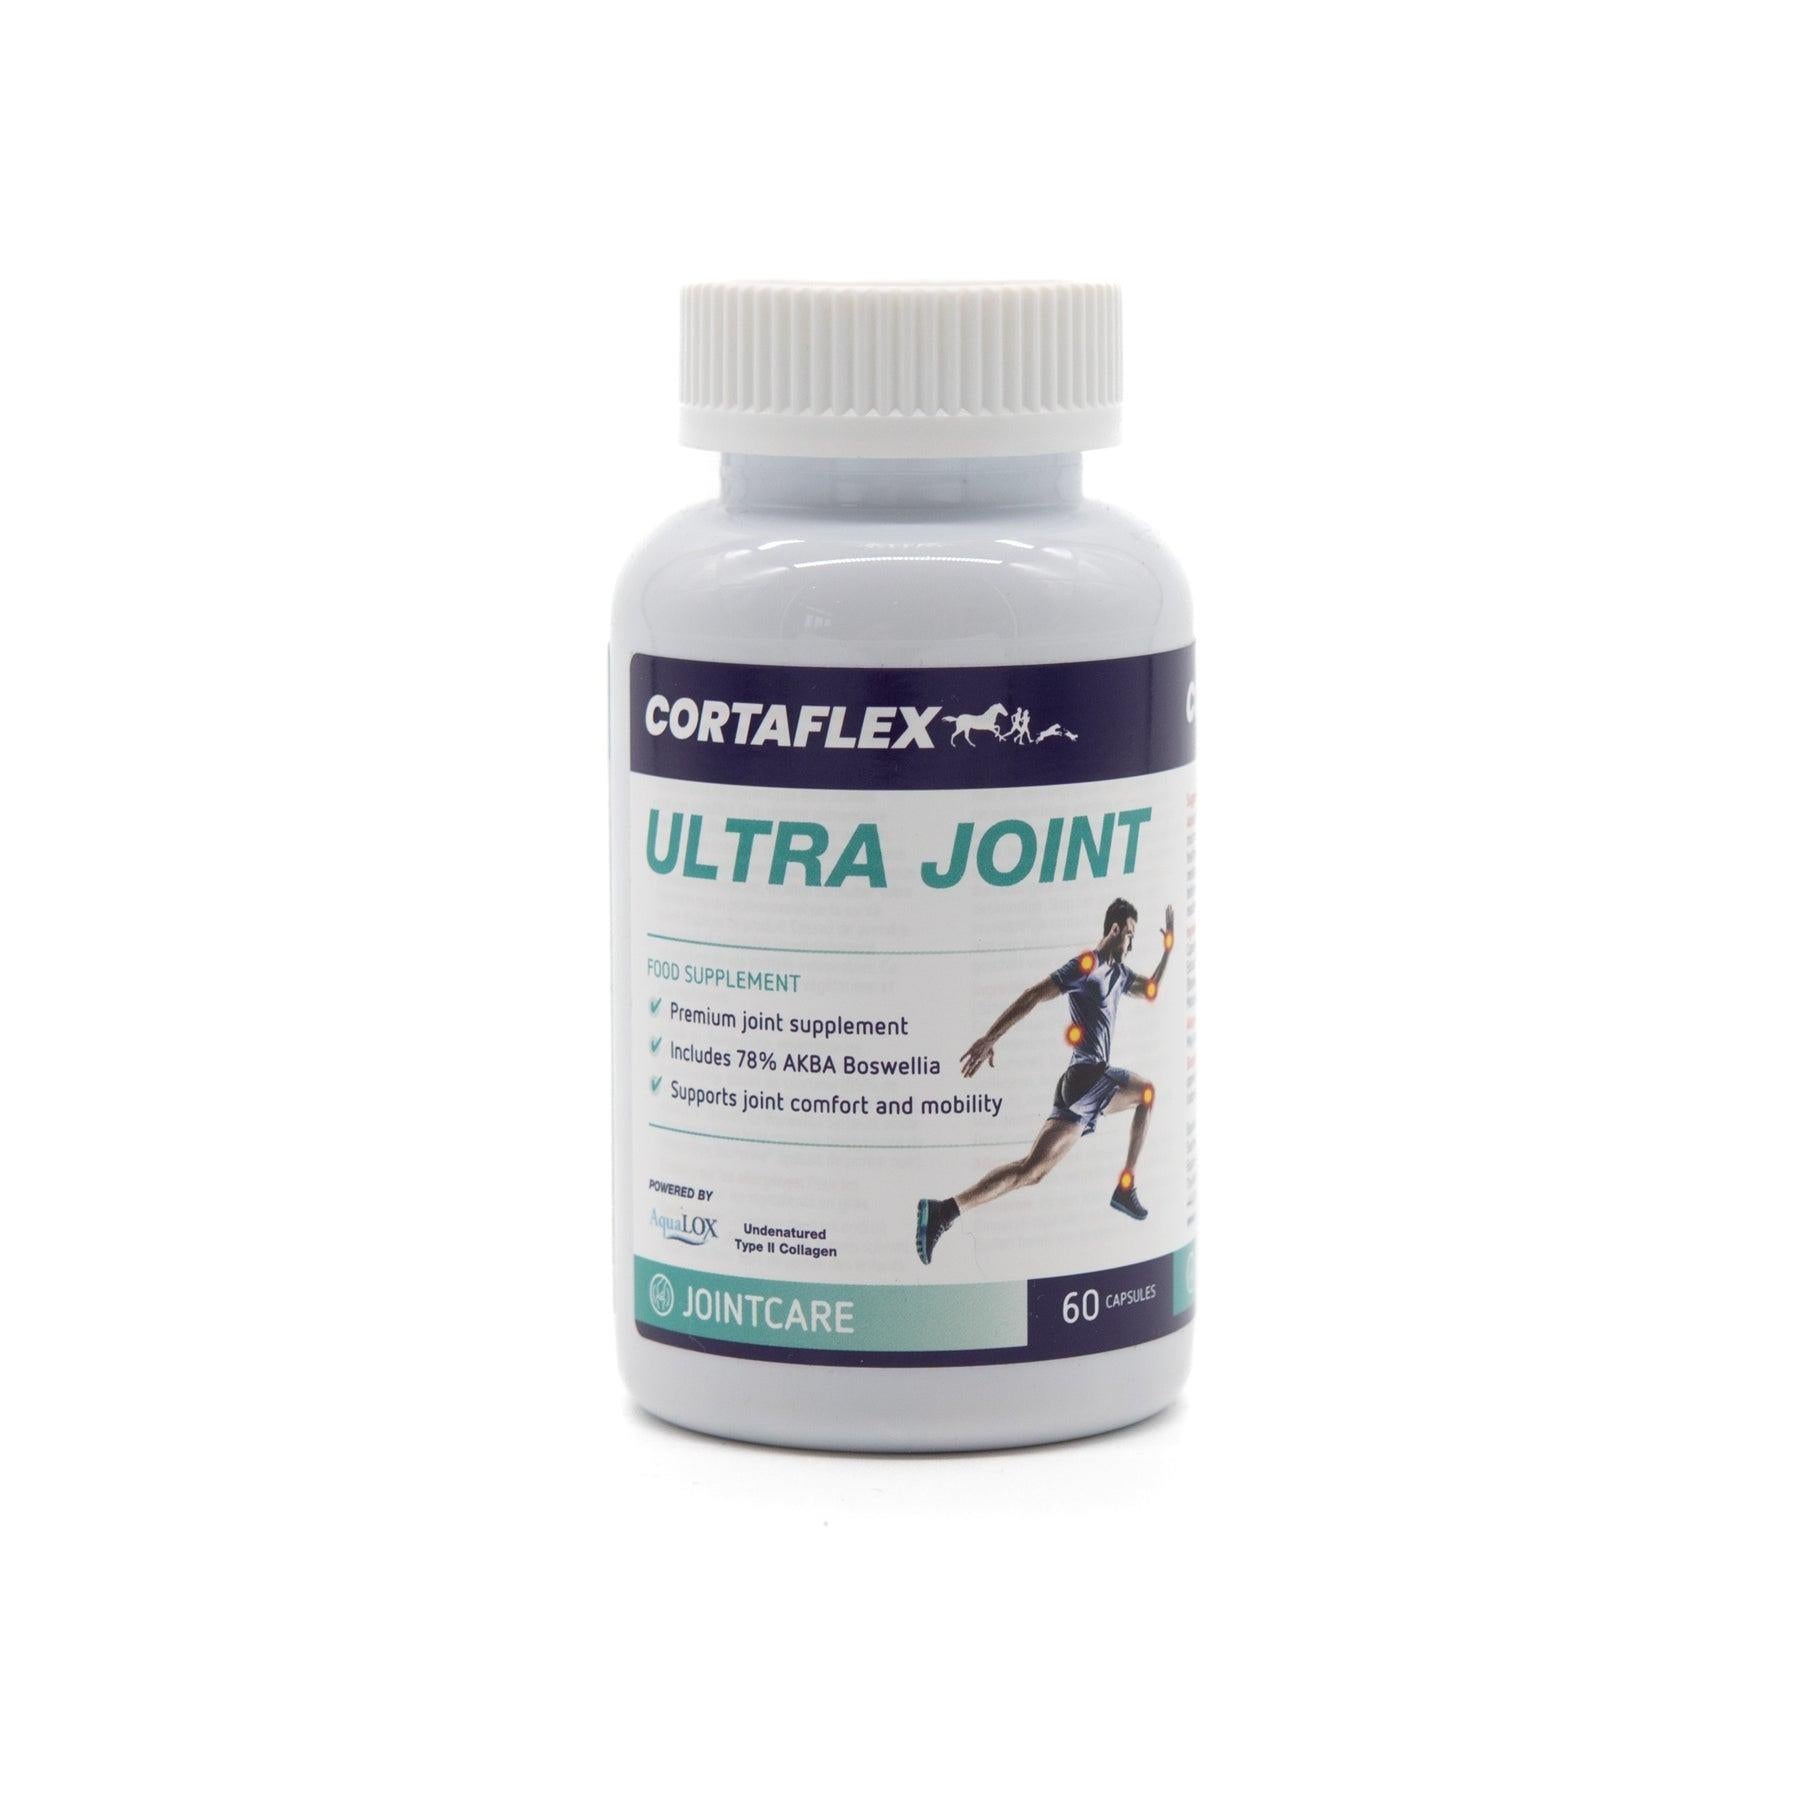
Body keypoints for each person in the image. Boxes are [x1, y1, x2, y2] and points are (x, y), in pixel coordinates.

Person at [915, 896, 1175, 1265]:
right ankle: (1125, 1187)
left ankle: (945, 1210)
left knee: (1031, 1171)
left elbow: (1150, 990)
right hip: (1088, 1078)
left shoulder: (1120, 974)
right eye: (1130, 934)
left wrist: (1168, 951)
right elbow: (1034, 995)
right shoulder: (1088, 966)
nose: (1132, 943)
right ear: (1114, 929)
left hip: (1079, 1091)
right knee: (1147, 1093)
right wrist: (990, 1037)